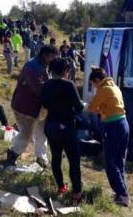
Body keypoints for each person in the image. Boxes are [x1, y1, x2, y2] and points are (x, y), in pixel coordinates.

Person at [5, 45, 57, 168]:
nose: (54, 60)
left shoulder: (44, 65)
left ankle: (41, 157)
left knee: (41, 131)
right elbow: (40, 90)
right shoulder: (33, 68)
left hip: (37, 107)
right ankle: (13, 153)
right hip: (25, 107)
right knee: (26, 134)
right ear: (45, 55)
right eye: (52, 57)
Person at [41, 58, 84, 202]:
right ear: (65, 71)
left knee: (56, 157)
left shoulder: (47, 85)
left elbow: (44, 104)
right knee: (74, 160)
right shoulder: (69, 84)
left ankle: (60, 187)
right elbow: (79, 107)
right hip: (67, 127)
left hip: (52, 126)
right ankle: (76, 193)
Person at [88, 68, 130, 207]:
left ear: (98, 81)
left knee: (110, 162)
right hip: (123, 123)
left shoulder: (104, 89)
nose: (94, 87)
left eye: (94, 84)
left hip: (112, 126)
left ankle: (122, 194)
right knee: (119, 160)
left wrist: (93, 107)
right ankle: (122, 193)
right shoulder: (114, 86)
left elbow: (92, 108)